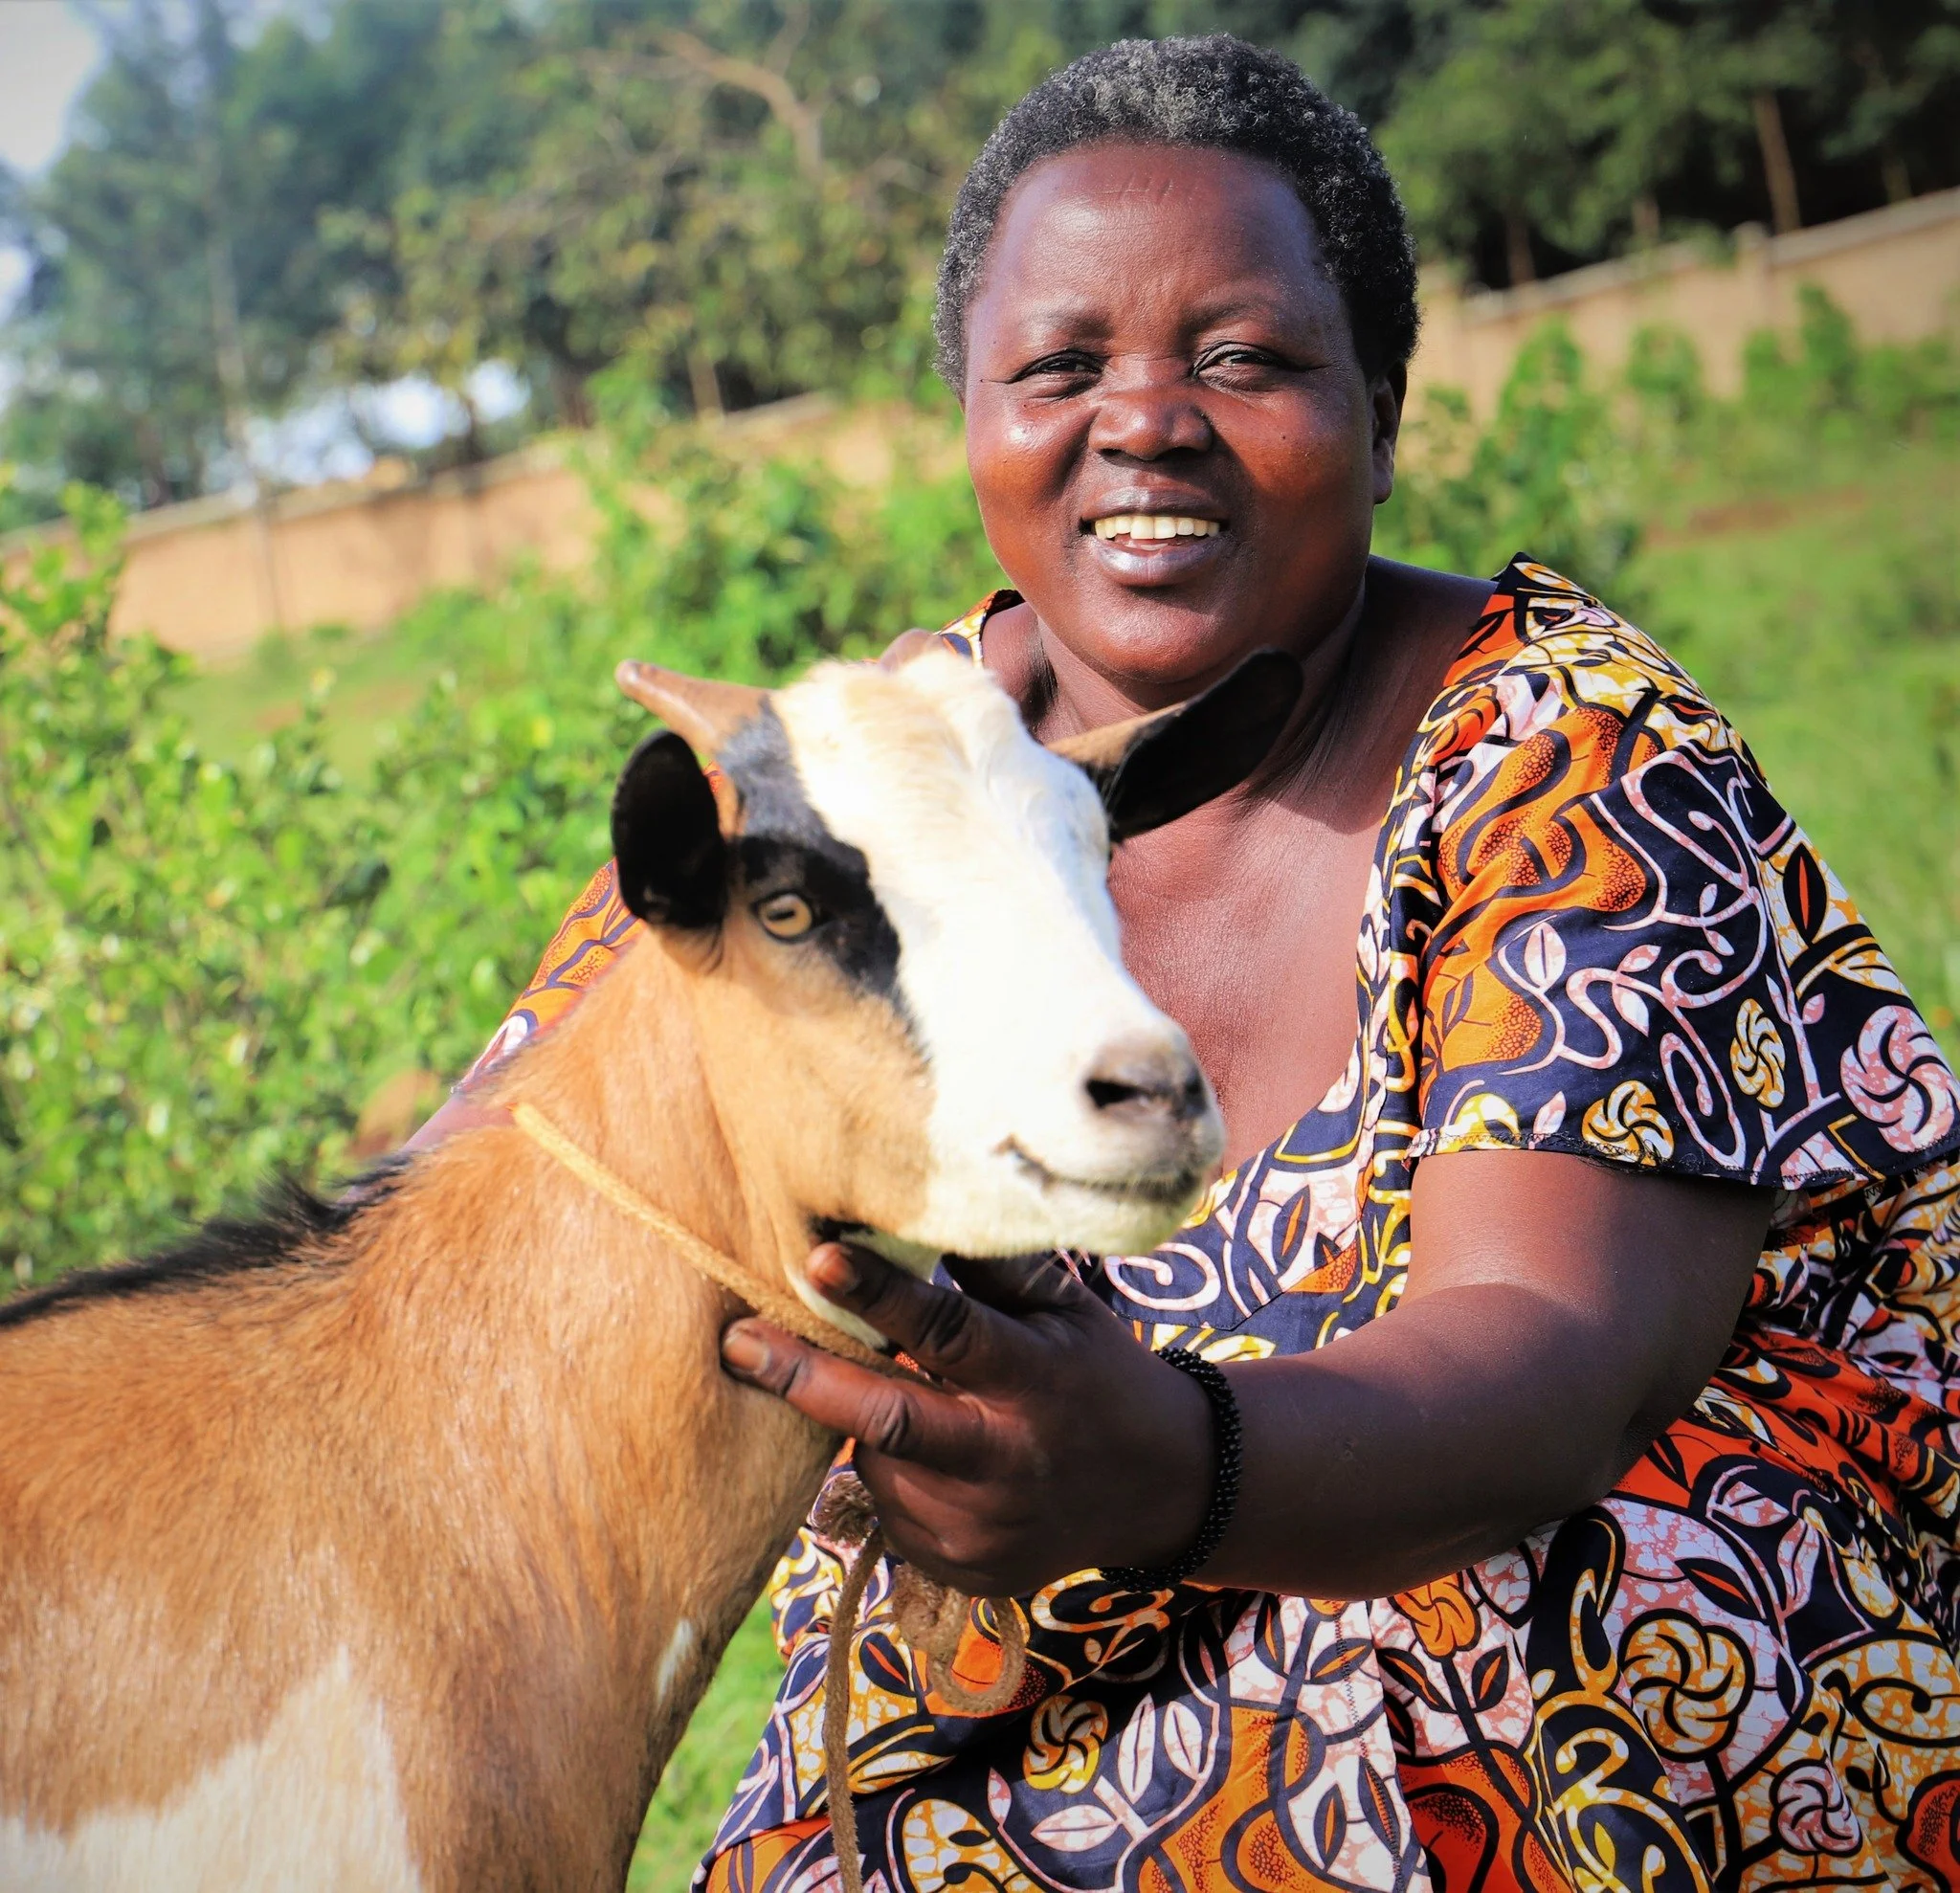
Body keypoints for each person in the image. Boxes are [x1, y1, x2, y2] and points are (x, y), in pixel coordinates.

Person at [420, 35, 1960, 1893]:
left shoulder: (1565, 763)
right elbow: (481, 1228)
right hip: (975, 1749)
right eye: (1059, 365)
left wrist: (1164, 1461)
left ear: (1381, 404)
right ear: (971, 416)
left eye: (1242, 356)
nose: (1143, 419)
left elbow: (1556, 1366)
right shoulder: (840, 784)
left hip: (1579, 1692)